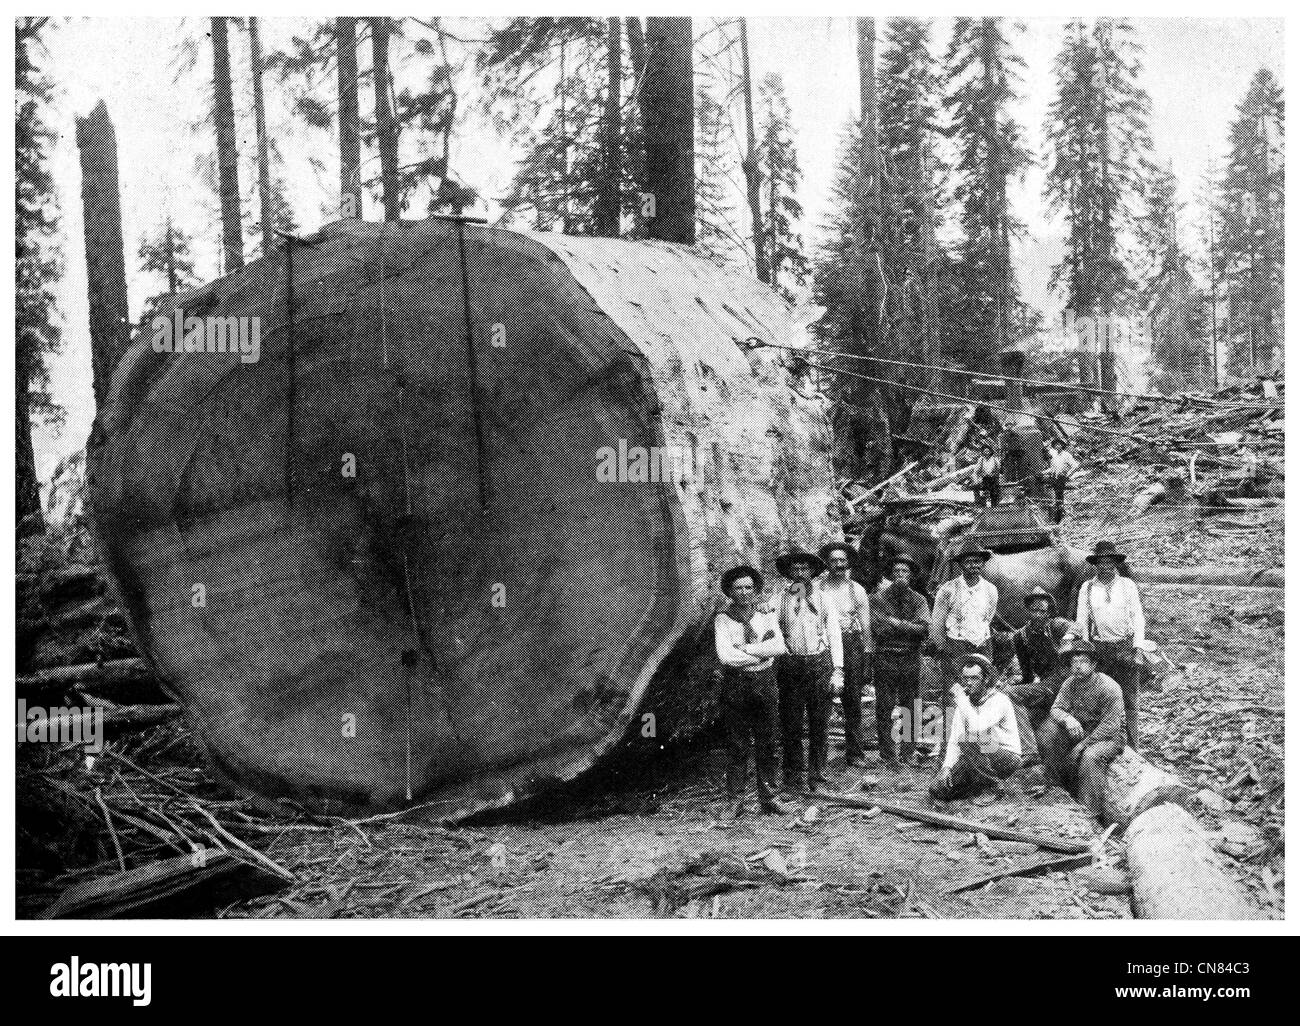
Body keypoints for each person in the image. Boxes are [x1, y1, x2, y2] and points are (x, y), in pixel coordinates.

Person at [714, 565, 796, 819]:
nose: (744, 592)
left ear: (756, 589)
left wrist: (748, 649)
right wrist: (761, 650)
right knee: (737, 743)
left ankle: (769, 797)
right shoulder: (722, 620)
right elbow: (726, 656)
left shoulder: (766, 615)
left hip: (765, 681)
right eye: (738, 588)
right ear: (729, 591)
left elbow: (780, 646)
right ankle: (735, 800)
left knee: (768, 741)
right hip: (736, 684)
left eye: (749, 587)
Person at [774, 549, 843, 794]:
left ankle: (818, 774)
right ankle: (793, 776)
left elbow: (834, 634)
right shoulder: (779, 599)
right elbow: (771, 628)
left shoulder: (824, 598)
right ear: (789, 573)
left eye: (805, 569)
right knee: (791, 721)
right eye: (796, 569)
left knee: (819, 721)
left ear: (813, 572)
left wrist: (838, 671)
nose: (801, 573)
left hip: (819, 663)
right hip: (791, 664)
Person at [1035, 640, 1126, 820]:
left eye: (1083, 662)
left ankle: (1090, 811)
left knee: (1090, 757)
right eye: (1074, 663)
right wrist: (1068, 718)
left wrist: (1082, 745)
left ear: (1093, 665)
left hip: (1108, 736)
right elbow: (1056, 709)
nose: (1077, 667)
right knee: (1047, 732)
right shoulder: (1070, 683)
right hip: (1082, 729)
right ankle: (1054, 785)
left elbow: (1110, 726)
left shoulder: (1109, 687)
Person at [1074, 540, 1146, 752]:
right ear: (1095, 564)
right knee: (1101, 696)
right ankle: (1105, 743)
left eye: (1109, 562)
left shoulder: (1127, 585)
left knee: (1129, 697)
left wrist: (1138, 646)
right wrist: (1086, 650)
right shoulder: (1087, 588)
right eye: (1101, 562)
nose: (1105, 566)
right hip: (1099, 649)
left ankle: (1133, 746)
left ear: (1115, 563)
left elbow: (1138, 616)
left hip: (1125, 647)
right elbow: (1081, 621)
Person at [929, 654, 1021, 801]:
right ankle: (976, 787)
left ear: (986, 679)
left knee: (968, 739)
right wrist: (946, 767)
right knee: (937, 789)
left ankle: (993, 786)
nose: (969, 683)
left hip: (1005, 757)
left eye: (974, 678)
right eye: (965, 678)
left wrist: (961, 700)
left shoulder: (999, 700)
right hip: (977, 757)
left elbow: (977, 729)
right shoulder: (964, 704)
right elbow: (954, 739)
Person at [815, 542, 874, 768]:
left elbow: (866, 625)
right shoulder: (815, 588)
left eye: (842, 560)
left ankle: (855, 753)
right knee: (822, 700)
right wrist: (765, 605)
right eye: (834, 561)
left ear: (848, 562)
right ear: (827, 564)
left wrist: (867, 654)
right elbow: (789, 595)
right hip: (824, 646)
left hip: (850, 645)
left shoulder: (856, 589)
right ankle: (820, 757)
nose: (839, 564)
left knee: (852, 700)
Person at [869, 553, 930, 767]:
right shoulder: (877, 599)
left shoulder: (919, 599)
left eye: (905, 571)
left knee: (911, 705)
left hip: (911, 657)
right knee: (884, 706)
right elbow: (878, 629)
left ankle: (907, 752)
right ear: (891, 575)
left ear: (911, 575)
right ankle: (887, 754)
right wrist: (907, 626)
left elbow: (924, 629)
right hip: (885, 656)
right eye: (897, 571)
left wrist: (895, 623)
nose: (901, 575)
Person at [1005, 587, 1078, 765]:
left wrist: (1068, 638)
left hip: (1064, 682)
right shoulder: (1020, 636)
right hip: (1046, 685)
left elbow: (1077, 626)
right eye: (1034, 610)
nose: (1038, 615)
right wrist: (1021, 688)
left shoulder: (1056, 625)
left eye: (1042, 611)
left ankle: (1030, 752)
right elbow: (1027, 674)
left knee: (1009, 694)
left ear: (1048, 613)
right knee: (1009, 697)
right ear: (1027, 611)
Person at [931, 539, 999, 686]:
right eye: (968, 562)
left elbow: (988, 618)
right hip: (956, 646)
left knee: (983, 686)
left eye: (977, 561)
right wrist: (944, 650)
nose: (973, 566)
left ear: (982, 563)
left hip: (983, 645)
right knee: (957, 689)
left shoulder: (990, 589)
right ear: (960, 564)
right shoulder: (948, 589)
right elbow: (936, 626)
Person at [1045, 438, 1080, 524]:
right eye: (1056, 445)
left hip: (1061, 478)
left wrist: (1068, 475)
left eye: (1059, 444)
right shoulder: (1054, 456)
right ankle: (1057, 516)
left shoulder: (1066, 455)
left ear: (1062, 445)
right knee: (1055, 497)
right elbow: (1052, 468)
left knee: (1059, 498)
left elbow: (1075, 466)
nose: (1057, 446)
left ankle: (1058, 519)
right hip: (1054, 477)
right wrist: (1043, 472)